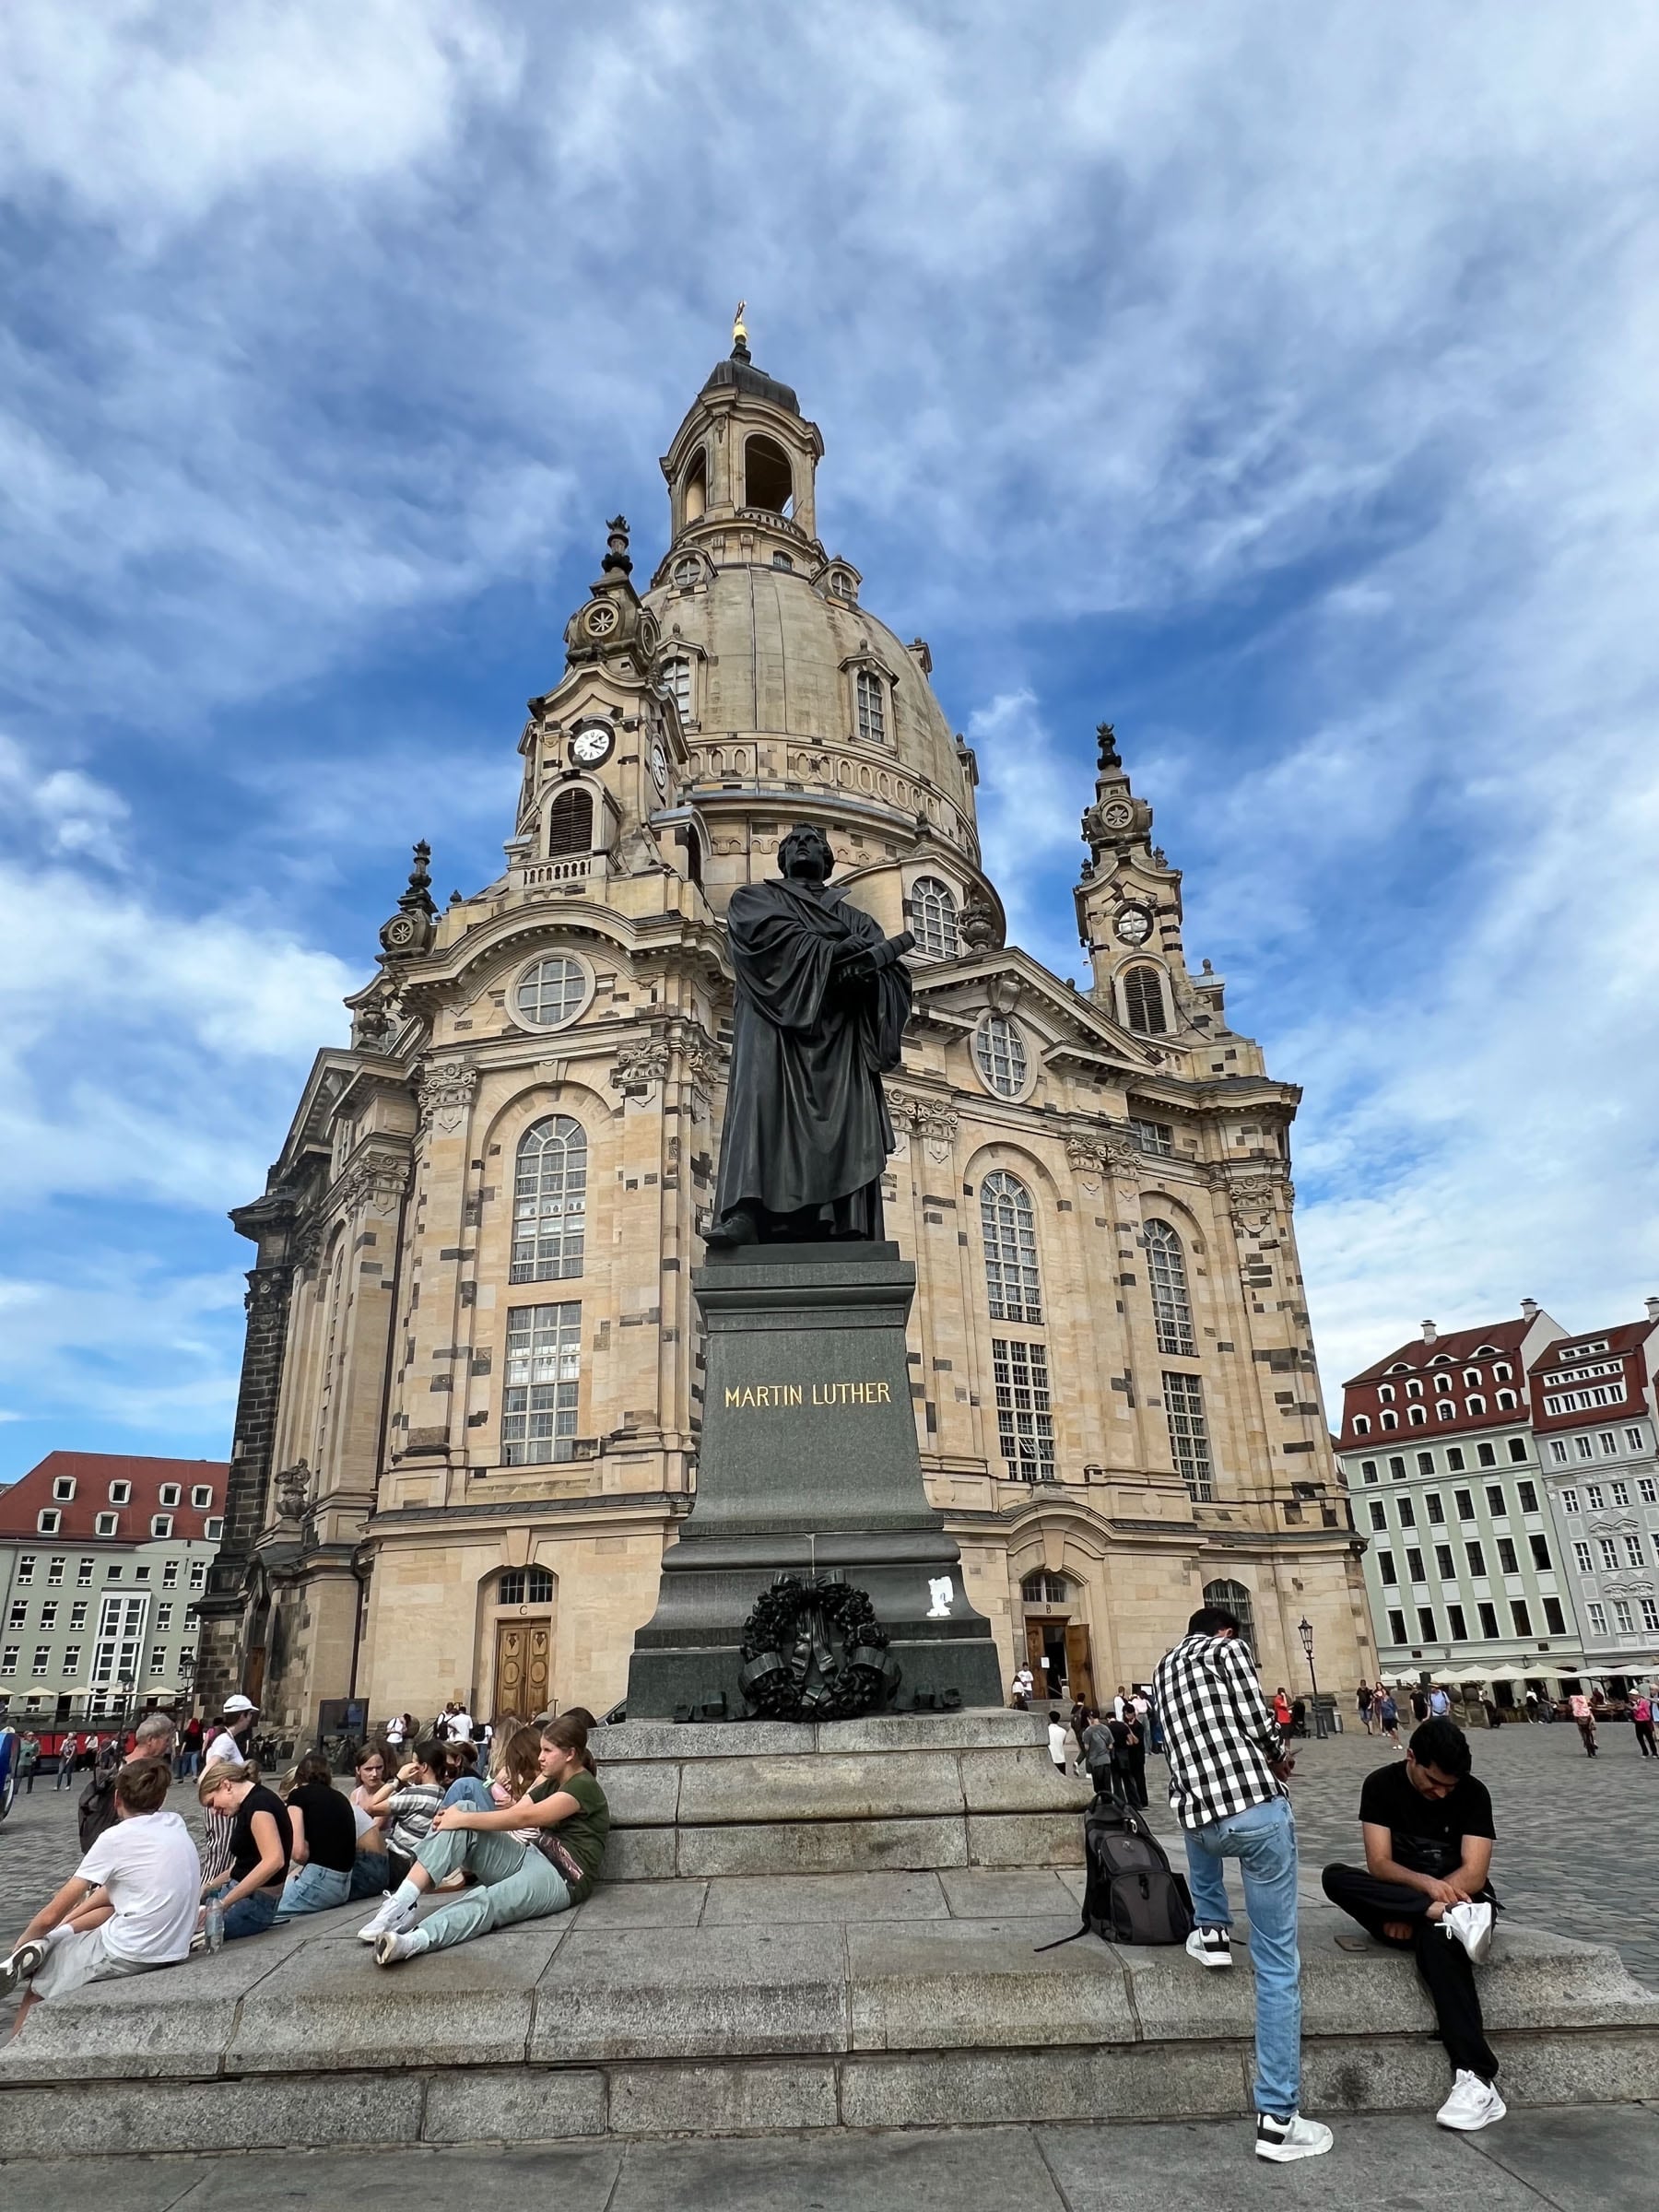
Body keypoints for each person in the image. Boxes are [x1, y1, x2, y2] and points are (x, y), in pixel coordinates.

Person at [1153, 1602, 1331, 2165]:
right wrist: (1280, 1756)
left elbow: (1175, 1743)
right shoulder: (1228, 1649)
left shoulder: (1161, 1668)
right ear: (1226, 1632)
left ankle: (1210, 1930)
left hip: (1199, 1824)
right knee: (1277, 1965)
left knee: (1197, 1821)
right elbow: (1258, 1721)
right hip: (1255, 1815)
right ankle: (1278, 2119)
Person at [1322, 1718, 1503, 2133]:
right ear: (1411, 1758)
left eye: (1449, 1787)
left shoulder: (1473, 1793)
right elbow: (1379, 1863)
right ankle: (1441, 1918)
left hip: (1463, 1904)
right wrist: (1424, 1902)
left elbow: (1474, 1873)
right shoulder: (1381, 1785)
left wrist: (1430, 1908)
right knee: (1335, 1876)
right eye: (1434, 1782)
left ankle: (1476, 2077)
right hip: (1416, 1903)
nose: (1442, 1793)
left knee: (1440, 1947)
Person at [357, 1715, 608, 1966]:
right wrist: (461, 1816)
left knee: (491, 1900)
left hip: (563, 1877)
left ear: (570, 1754)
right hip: (531, 1856)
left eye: (547, 1750)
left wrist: (461, 1819)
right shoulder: (553, 1780)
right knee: (464, 1806)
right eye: (541, 1749)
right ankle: (400, 1905)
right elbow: (518, 1810)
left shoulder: (583, 1786)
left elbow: (522, 1817)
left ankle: (415, 1940)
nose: (540, 1756)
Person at [0, 1758, 197, 2034]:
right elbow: (109, 1894)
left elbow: (50, 1913)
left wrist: (24, 1940)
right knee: (107, 1910)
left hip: (137, 1949)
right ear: (161, 1798)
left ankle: (11, 2060)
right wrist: (66, 1922)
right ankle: (57, 1938)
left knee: (37, 1987)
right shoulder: (174, 1824)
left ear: (117, 1798)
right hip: (175, 1943)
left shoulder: (114, 1838)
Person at [196, 1761, 291, 1941]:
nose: (214, 1812)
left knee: (187, 1931)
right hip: (246, 1896)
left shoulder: (259, 1806)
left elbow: (274, 1860)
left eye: (213, 1803)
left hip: (254, 1903)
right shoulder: (251, 1804)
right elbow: (244, 1864)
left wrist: (224, 1904)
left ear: (226, 1786)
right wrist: (208, 1887)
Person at [276, 1751, 358, 1919]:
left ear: (299, 1777)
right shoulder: (341, 1798)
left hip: (319, 1880)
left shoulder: (298, 1796)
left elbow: (298, 1852)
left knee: (265, 1909)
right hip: (344, 1884)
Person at [367, 1740, 449, 1888]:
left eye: (413, 1762)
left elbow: (372, 1806)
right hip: (415, 1865)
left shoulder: (415, 1794)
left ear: (423, 1767)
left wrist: (397, 1779)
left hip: (397, 1861)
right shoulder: (442, 1795)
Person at [200, 1695, 259, 1884]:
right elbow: (208, 1771)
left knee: (225, 1852)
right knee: (221, 1853)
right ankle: (204, 1895)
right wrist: (208, 1793)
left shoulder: (226, 1738)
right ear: (243, 1715)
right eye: (249, 1714)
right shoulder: (225, 1741)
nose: (251, 1718)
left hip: (223, 1802)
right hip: (221, 1804)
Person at [347, 1746, 393, 1901]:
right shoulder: (356, 1794)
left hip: (381, 1849)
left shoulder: (388, 1791)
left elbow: (375, 1827)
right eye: (368, 1769)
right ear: (358, 1770)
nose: (374, 1774)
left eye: (379, 1768)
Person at [1569, 1689, 1597, 1757]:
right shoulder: (1584, 1697)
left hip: (1578, 1716)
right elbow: (1591, 1703)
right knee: (1592, 1725)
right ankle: (1594, 1741)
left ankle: (1584, 1741)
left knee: (1580, 1729)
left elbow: (1570, 1705)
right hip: (1587, 1715)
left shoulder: (1571, 1697)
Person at [1633, 1688, 1656, 1759]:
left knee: (1649, 1738)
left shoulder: (1643, 1701)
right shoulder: (1634, 1702)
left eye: (1634, 1695)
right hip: (1638, 1721)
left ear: (1638, 1695)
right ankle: (1645, 1752)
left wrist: (1648, 1718)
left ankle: (1654, 1752)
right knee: (1639, 1737)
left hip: (1645, 1721)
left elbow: (1646, 1710)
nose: (1632, 1697)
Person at [17, 1729, 41, 1795]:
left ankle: (29, 1790)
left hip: (30, 1762)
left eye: (32, 1735)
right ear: (26, 1736)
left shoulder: (36, 1742)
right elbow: (18, 1751)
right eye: (29, 1735)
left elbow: (38, 1751)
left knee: (30, 1776)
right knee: (19, 1776)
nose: (31, 1737)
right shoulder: (21, 1742)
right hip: (21, 1761)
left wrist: (35, 1756)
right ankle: (15, 1790)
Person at [1046, 1711, 1067, 1775]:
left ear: (1049, 1718)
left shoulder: (1046, 1730)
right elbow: (1063, 1743)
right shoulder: (1063, 1731)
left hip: (1050, 1758)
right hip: (1061, 1759)